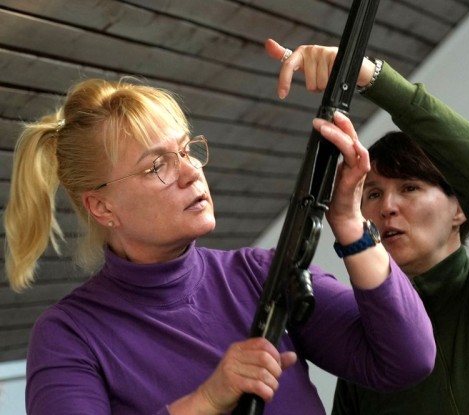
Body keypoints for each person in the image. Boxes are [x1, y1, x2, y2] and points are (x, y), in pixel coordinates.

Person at [3, 70, 436, 414]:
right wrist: (207, 401)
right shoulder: (69, 335)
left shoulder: (262, 274)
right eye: (157, 166)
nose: (192, 171)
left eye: (187, 150)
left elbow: (406, 358)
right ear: (101, 207)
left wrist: (349, 221)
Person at [267, 38, 469, 415]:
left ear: (460, 208)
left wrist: (372, 78)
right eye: (372, 193)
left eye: (410, 188)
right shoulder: (372, 346)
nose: (387, 206)